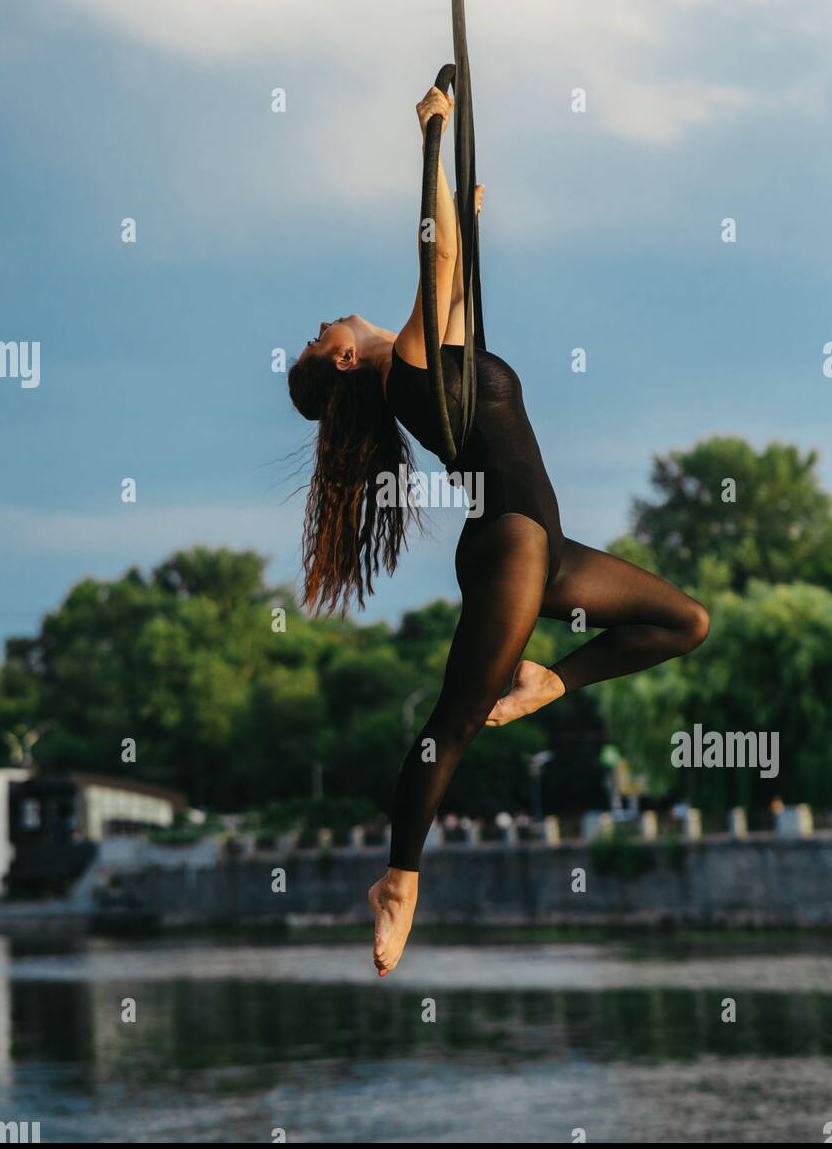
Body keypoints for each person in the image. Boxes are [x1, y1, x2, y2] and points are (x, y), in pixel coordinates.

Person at [289, 87, 710, 975]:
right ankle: (399, 880)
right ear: (340, 357)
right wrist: (431, 138)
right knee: (455, 720)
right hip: (511, 544)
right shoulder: (404, 367)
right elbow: (434, 264)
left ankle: (550, 681)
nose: (326, 316)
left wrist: (465, 220)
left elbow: (451, 275)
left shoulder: (427, 359)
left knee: (684, 623)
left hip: (549, 551)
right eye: (320, 331)